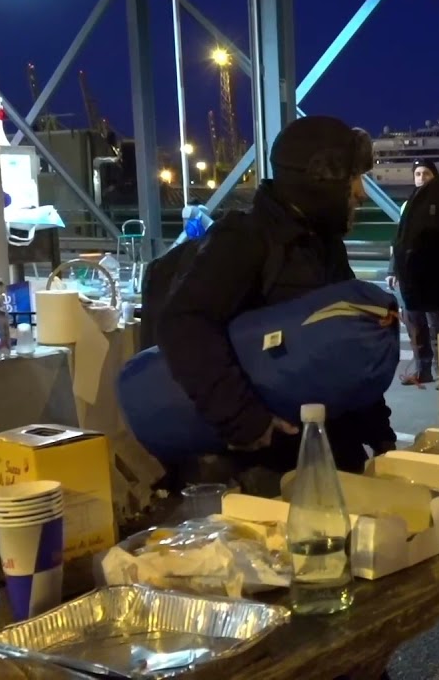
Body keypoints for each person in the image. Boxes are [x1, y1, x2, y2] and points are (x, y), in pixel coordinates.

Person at [157, 116, 396, 482]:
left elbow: (346, 349)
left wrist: (379, 433)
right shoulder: (244, 239)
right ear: (319, 180)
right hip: (267, 464)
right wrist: (246, 422)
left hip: (329, 452)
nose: (361, 193)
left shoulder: (323, 244)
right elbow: (183, 323)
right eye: (353, 179)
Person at [388, 159, 439, 385]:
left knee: (436, 327)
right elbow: (399, 240)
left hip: (431, 274)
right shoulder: (407, 205)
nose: (421, 178)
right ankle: (424, 371)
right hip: (410, 275)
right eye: (418, 174)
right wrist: (393, 269)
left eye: (427, 174)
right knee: (416, 326)